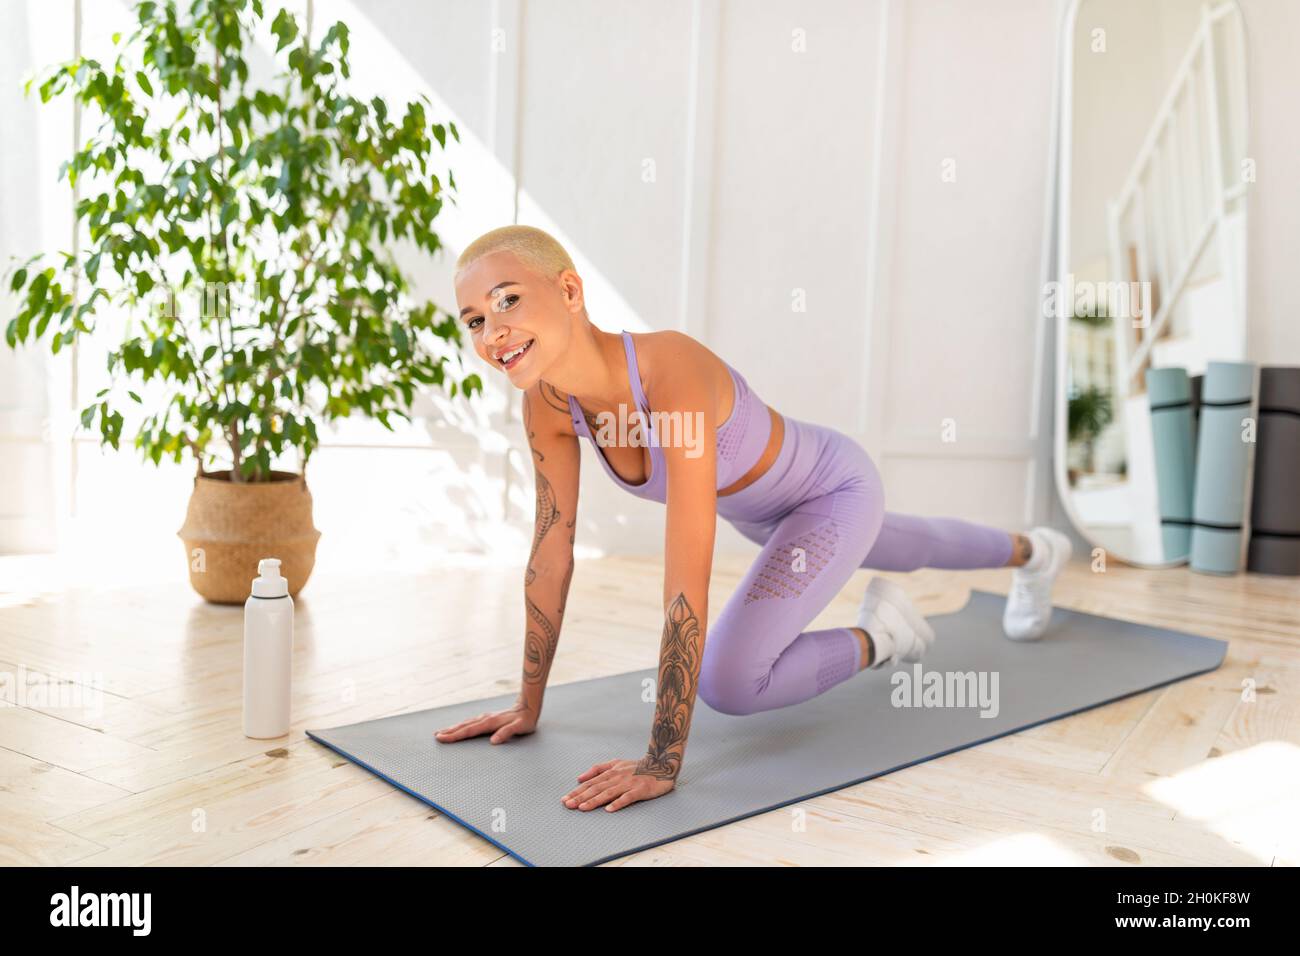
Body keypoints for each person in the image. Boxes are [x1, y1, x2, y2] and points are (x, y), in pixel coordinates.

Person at [434, 224, 1072, 814]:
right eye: (475, 321)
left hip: (832, 491)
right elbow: (551, 555)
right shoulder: (548, 405)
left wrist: (662, 759)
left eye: (508, 300)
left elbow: (685, 580)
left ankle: (883, 636)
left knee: (731, 682)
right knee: (912, 545)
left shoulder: (670, 369)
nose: (493, 333)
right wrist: (527, 704)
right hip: (765, 520)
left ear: (569, 291)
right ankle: (1038, 553)